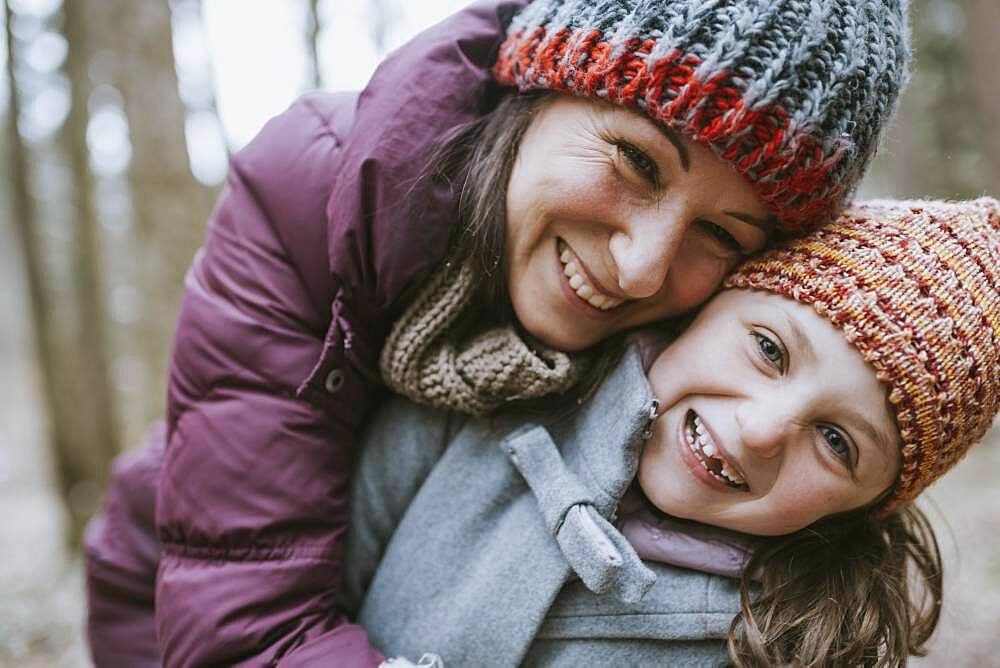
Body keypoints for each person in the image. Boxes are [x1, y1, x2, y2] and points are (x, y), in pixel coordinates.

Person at [82, 0, 911, 665]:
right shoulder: (311, 192)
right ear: (538, 81)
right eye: (637, 162)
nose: (641, 269)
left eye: (723, 235)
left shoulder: (723, 378)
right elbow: (245, 623)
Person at [341, 197, 1000, 667]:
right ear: (710, 307)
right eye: (769, 350)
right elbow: (296, 600)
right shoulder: (481, 397)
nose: (760, 428)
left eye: (837, 443)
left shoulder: (782, 652)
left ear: (864, 506)